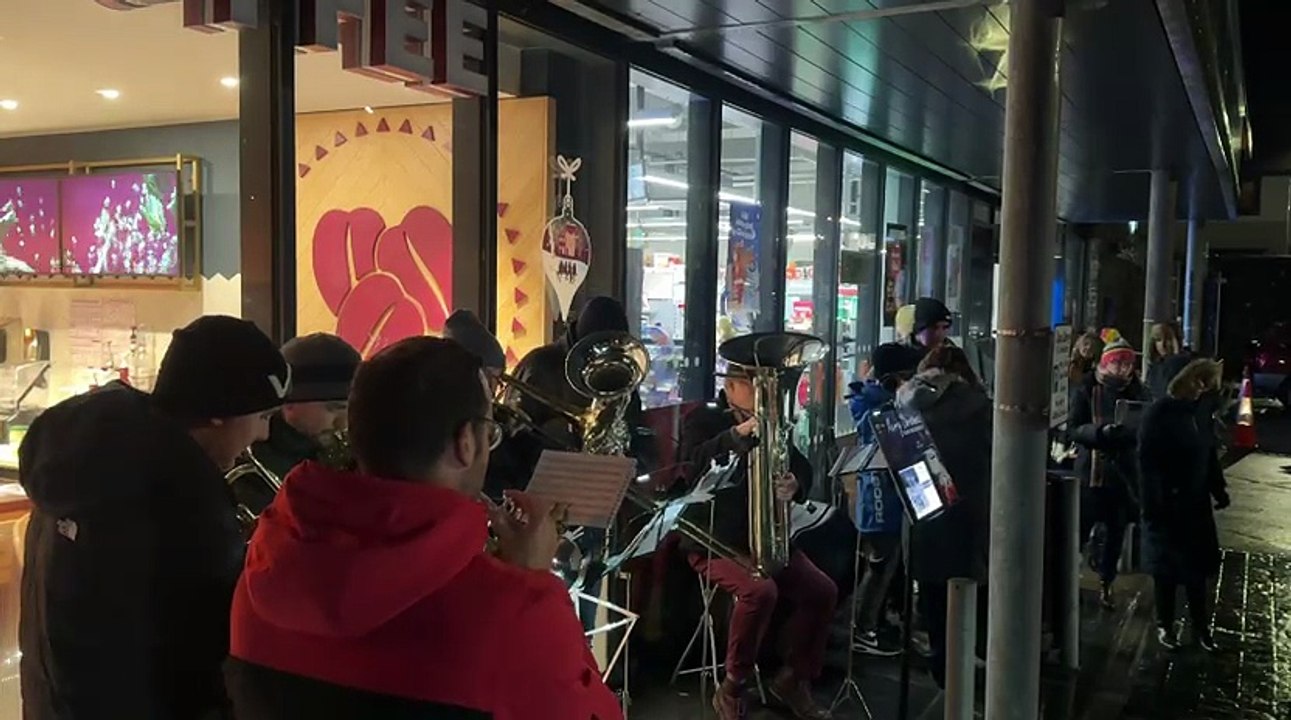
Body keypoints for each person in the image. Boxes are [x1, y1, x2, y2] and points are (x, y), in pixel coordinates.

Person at [225, 337, 622, 719]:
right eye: (489, 429)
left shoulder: (258, 578)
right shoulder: (514, 612)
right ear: (466, 442)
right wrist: (534, 583)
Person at [19, 315, 289, 719]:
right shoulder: (180, 505)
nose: (263, 435)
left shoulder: (82, 462)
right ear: (220, 412)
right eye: (263, 417)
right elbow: (208, 660)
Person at [679, 366, 836, 720]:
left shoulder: (772, 423)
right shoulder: (704, 420)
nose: (769, 398)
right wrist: (736, 434)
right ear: (732, 388)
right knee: (759, 592)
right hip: (713, 538)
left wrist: (795, 484)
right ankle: (732, 686)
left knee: (822, 590)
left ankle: (794, 678)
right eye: (759, 389)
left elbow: (802, 467)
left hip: (763, 535)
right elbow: (690, 466)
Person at [895, 345, 992, 688]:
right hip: (968, 508)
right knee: (967, 588)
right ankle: (965, 662)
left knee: (933, 592)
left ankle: (942, 667)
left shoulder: (905, 402)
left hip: (923, 506)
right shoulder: (978, 405)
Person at [1138, 358, 1229, 651]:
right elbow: (1148, 463)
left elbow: (1208, 454)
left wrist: (1218, 489)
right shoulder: (1161, 413)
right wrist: (1154, 504)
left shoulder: (1199, 414)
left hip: (1195, 504)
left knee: (1196, 572)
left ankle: (1200, 628)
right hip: (1168, 505)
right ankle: (1165, 625)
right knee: (1166, 570)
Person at [845, 343, 922, 657]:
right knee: (879, 565)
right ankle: (863, 628)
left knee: (887, 565)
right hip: (879, 499)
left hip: (891, 498)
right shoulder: (876, 406)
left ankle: (873, 623)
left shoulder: (881, 401)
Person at [1069, 332, 1146, 608]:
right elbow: (1073, 428)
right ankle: (1070, 582)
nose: (1122, 368)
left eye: (1127, 364)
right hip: (1091, 473)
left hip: (1122, 477)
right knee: (1078, 530)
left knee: (1115, 532)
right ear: (1105, 363)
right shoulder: (1088, 388)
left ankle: (1106, 582)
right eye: (1117, 363)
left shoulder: (1138, 391)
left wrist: (1130, 433)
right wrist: (1100, 432)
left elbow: (1146, 427)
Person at [240, 332, 360, 491]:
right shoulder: (244, 458)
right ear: (289, 404)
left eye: (352, 409)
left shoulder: (356, 453)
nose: (343, 423)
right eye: (333, 408)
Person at [1144, 322, 1188, 400]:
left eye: (1168, 339)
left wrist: (1176, 354)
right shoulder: (1153, 368)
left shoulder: (1186, 365)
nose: (1163, 345)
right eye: (1158, 339)